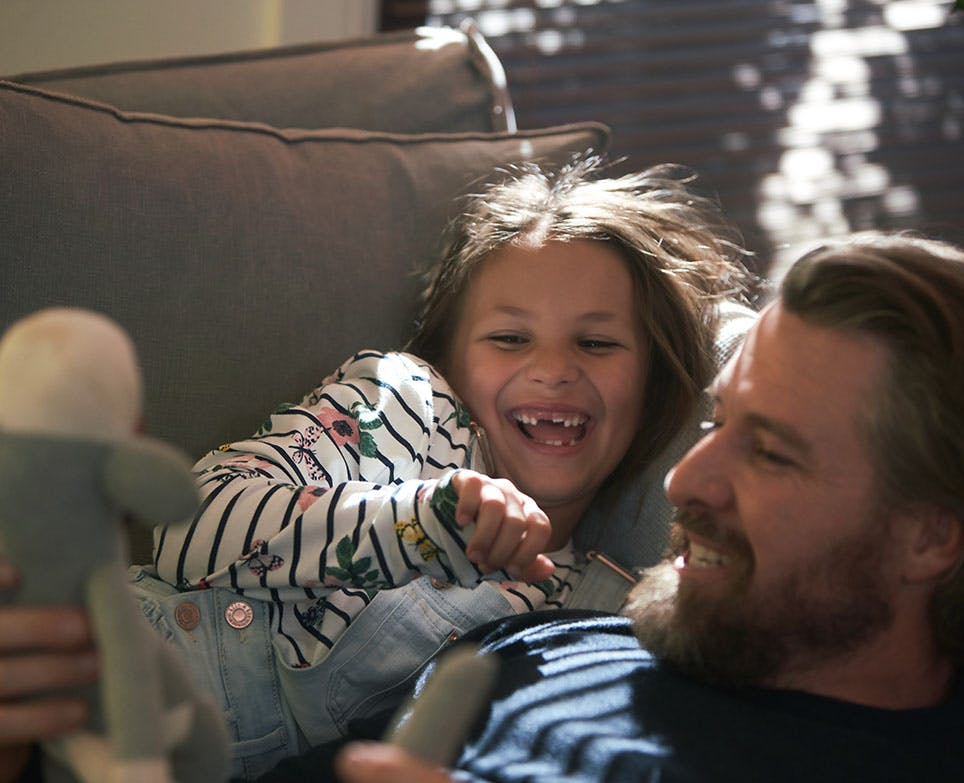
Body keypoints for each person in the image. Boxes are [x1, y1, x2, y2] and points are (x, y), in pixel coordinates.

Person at [0, 156, 755, 782]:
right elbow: (188, 527)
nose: (553, 370)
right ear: (450, 358)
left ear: (654, 383)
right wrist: (419, 522)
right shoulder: (404, 407)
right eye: (509, 338)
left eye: (596, 344)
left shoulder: (594, 604)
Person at [311, 231, 964, 783]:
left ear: (931, 535)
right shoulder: (541, 640)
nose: (682, 481)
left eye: (770, 453)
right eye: (717, 423)